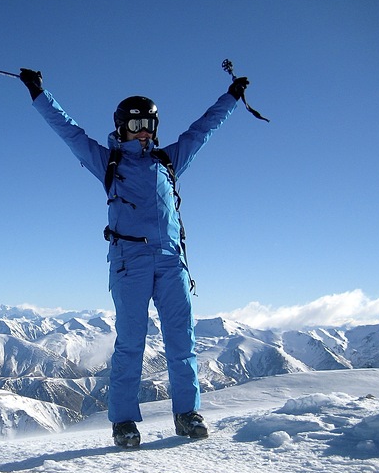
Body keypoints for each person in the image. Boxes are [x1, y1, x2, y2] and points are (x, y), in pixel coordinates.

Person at [19, 67, 248, 447]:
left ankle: (187, 413)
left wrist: (231, 97)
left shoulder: (169, 160)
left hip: (172, 261)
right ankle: (123, 421)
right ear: (122, 126)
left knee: (181, 340)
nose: (144, 130)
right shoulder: (109, 163)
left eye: (149, 124)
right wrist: (40, 94)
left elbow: (202, 129)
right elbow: (69, 132)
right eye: (136, 123)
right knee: (131, 342)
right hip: (130, 262)